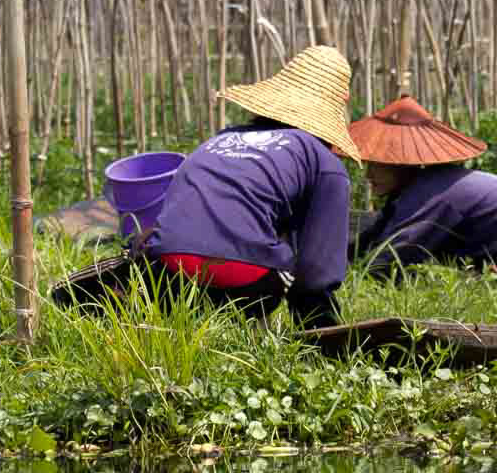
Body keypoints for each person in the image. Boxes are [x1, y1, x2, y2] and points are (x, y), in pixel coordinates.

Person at [141, 45, 363, 328]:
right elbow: (317, 272)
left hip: (170, 266)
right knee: (285, 265)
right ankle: (256, 333)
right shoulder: (323, 162)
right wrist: (322, 331)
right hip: (243, 278)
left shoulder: (223, 138)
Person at [348, 96, 497, 290]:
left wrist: (347, 285)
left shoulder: (433, 194)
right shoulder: (421, 188)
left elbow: (387, 260)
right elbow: (375, 238)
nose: (368, 175)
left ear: (399, 163)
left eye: (376, 166)